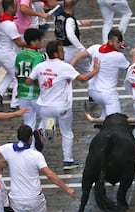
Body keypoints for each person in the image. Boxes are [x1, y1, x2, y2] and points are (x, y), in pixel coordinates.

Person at [26, 40, 100, 170]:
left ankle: (42, 133)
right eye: (61, 50)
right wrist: (95, 70)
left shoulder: (40, 67)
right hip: (61, 106)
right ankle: (68, 160)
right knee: (67, 133)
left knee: (49, 125)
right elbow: (83, 79)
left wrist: (42, 85)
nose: (64, 52)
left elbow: (28, 81)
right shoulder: (65, 67)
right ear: (55, 53)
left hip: (45, 106)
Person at [0, 124, 76, 212]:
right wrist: (67, 189)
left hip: (17, 197)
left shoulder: (9, 148)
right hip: (34, 197)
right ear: (30, 138)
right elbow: (49, 174)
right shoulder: (36, 155)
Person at [71, 29, 135, 118]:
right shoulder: (118, 57)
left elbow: (77, 56)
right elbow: (132, 69)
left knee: (105, 118)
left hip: (93, 92)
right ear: (110, 42)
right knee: (115, 122)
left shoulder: (95, 48)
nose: (120, 45)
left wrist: (69, 70)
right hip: (108, 95)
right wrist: (134, 57)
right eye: (118, 42)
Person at [0, 0, 27, 110]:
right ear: (10, 8)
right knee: (18, 76)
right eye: (15, 7)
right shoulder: (9, 24)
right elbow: (19, 43)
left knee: (11, 72)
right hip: (6, 53)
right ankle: (15, 103)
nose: (17, 9)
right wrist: (32, 41)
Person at [15, 28, 45, 131]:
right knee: (49, 117)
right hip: (35, 94)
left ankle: (30, 145)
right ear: (34, 41)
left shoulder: (19, 55)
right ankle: (41, 134)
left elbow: (16, 74)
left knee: (28, 123)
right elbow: (36, 75)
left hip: (22, 94)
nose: (42, 41)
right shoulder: (38, 57)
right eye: (40, 39)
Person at [54, 0, 91, 73]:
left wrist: (80, 23)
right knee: (88, 71)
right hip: (72, 50)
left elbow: (64, 24)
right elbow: (70, 35)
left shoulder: (57, 17)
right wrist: (82, 49)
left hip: (61, 49)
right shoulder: (70, 19)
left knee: (63, 73)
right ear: (73, 6)